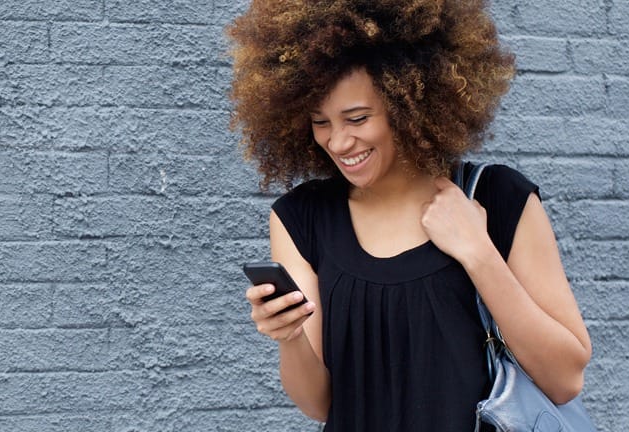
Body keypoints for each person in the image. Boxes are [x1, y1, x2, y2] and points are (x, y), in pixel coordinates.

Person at [227, 0, 592, 430]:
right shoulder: (302, 218)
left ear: (409, 102)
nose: (339, 142)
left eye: (358, 118)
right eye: (320, 121)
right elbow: (320, 404)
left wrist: (477, 251)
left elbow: (565, 379)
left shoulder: (499, 198)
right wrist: (289, 337)